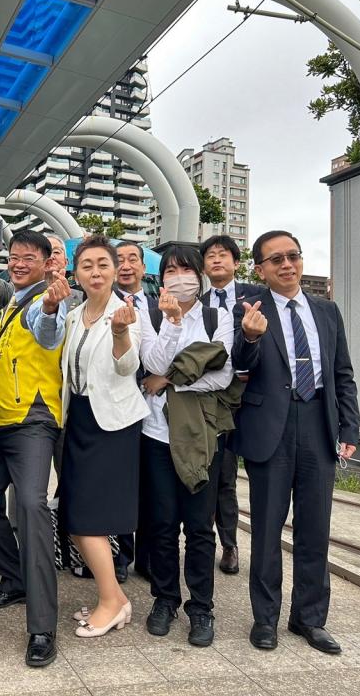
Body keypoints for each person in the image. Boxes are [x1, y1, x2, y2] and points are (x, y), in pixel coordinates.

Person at [231, 230, 359, 654]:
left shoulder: (326, 310)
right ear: (260, 269)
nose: (287, 265)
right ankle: (264, 620)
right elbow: (240, 364)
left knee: (315, 530)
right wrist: (249, 337)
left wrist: (350, 430)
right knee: (267, 529)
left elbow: (343, 374)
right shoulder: (249, 309)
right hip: (272, 425)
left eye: (293, 256)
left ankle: (309, 619)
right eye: (276, 259)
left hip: (319, 424)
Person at [33, 235, 149, 638]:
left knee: (86, 518)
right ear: (75, 272)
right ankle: (113, 596)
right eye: (87, 265)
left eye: (103, 264)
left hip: (113, 423)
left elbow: (127, 367)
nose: (95, 272)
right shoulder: (73, 313)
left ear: (116, 270)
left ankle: (112, 600)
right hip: (78, 418)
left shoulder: (128, 311)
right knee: (74, 514)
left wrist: (120, 334)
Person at [0, 231, 65, 667]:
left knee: (30, 505)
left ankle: (42, 626)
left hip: (32, 422)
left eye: (30, 258)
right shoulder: (12, 296)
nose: (20, 263)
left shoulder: (51, 299)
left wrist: (50, 306)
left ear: (47, 264)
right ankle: (17, 575)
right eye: (15, 256)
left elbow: (48, 332)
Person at [137, 245, 234, 647]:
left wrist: (170, 381)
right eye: (171, 270)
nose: (179, 276)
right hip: (156, 433)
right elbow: (151, 365)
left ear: (200, 275)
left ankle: (201, 607)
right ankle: (164, 598)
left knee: (198, 526)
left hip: (200, 437)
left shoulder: (218, 317)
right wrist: (173, 325)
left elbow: (222, 375)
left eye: (186, 269)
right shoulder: (150, 312)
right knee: (160, 524)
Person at [199, 235, 264, 576]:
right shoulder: (197, 301)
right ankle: (214, 541)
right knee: (216, 472)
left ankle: (231, 543)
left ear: (235, 262)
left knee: (229, 478)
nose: (217, 261)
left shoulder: (256, 297)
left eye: (223, 255)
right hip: (211, 399)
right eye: (210, 256)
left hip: (248, 399)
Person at [112, 242, 160, 583]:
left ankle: (147, 555)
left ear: (144, 268)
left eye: (133, 260)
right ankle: (121, 554)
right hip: (119, 406)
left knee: (152, 485)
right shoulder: (102, 304)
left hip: (156, 408)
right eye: (119, 261)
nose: (126, 266)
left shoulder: (159, 307)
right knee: (123, 483)